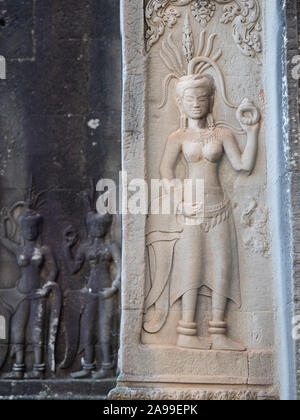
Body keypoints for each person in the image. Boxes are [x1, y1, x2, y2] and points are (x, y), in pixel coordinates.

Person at [143, 74, 260, 351]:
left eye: (201, 98)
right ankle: (186, 331)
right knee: (190, 269)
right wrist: (179, 200)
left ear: (210, 101)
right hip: (191, 209)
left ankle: (218, 331)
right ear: (180, 104)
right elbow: (165, 170)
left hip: (219, 207)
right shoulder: (178, 137)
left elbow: (243, 165)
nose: (196, 103)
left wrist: (252, 131)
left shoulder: (222, 134)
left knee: (222, 268)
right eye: (189, 99)